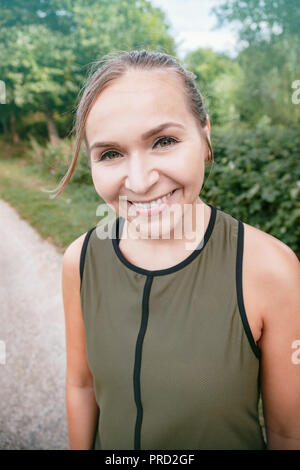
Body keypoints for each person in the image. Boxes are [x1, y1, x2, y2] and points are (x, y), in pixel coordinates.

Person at [53, 50, 300, 450]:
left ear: (205, 135)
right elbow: (81, 385)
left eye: (164, 141)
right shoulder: (80, 261)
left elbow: (289, 433)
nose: (139, 179)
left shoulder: (271, 269)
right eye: (111, 153)